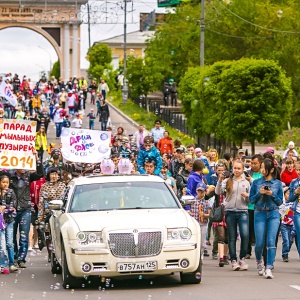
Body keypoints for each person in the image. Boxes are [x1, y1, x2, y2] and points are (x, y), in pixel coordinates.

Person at [249, 158, 283, 279]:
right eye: (261, 167)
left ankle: (269, 267)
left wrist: (271, 194)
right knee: (259, 243)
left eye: (264, 167)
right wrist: (260, 193)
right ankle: (259, 262)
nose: (262, 170)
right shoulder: (256, 182)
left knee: (271, 242)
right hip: (259, 213)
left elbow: (280, 202)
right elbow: (251, 200)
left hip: (273, 214)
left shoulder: (278, 184)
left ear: (271, 169)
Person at [10, 152, 44, 268]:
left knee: (24, 236)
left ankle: (22, 259)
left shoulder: (29, 176)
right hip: (12, 209)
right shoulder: (9, 176)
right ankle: (14, 257)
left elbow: (40, 174)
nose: (24, 168)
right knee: (12, 236)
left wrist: (37, 158)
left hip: (25, 209)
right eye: (21, 165)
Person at [216, 160, 250, 271]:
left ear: (243, 169)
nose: (236, 170)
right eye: (235, 168)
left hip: (243, 211)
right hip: (230, 211)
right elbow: (218, 192)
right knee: (232, 237)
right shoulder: (228, 181)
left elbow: (251, 199)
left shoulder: (246, 182)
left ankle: (242, 258)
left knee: (245, 235)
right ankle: (234, 260)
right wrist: (220, 181)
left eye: (239, 168)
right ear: (232, 169)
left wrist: (247, 196)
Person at [38, 168, 66, 262]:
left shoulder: (63, 185)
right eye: (52, 174)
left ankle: (59, 255)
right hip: (48, 213)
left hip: (60, 214)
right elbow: (41, 202)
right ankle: (50, 255)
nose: (54, 176)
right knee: (48, 235)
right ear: (48, 175)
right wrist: (40, 215)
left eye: (56, 174)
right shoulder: (44, 186)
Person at [245, 154, 263, 259]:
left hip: (259, 207)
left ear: (260, 163)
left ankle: (259, 251)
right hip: (249, 206)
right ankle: (247, 251)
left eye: (255, 163)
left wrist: (251, 180)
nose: (252, 165)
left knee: (257, 231)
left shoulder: (262, 174)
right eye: (251, 163)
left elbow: (260, 187)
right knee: (247, 230)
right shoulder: (247, 173)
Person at [0, 172, 18, 273]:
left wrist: (5, 207)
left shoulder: (11, 192)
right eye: (3, 182)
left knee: (10, 243)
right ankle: (2, 265)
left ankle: (11, 264)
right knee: (2, 244)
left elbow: (13, 205)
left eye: (7, 182)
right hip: (0, 222)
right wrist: (2, 196)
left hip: (9, 220)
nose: (5, 184)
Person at [190, 182, 212, 260]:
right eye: (198, 191)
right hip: (194, 223)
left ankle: (200, 255)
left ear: (205, 191)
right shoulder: (192, 201)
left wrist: (204, 215)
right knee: (194, 241)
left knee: (202, 242)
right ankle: (195, 257)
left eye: (202, 191)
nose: (200, 193)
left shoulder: (207, 202)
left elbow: (210, 214)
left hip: (203, 223)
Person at [287, 161, 300, 260]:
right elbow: (290, 199)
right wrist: (296, 192)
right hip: (298, 212)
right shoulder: (294, 182)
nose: (299, 172)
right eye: (298, 169)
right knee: (299, 236)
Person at [279, 186, 294, 262]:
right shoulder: (282, 203)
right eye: (288, 193)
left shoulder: (295, 202)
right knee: (286, 241)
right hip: (284, 225)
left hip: (293, 225)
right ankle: (284, 255)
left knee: (290, 241)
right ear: (284, 194)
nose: (289, 195)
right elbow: (281, 213)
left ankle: (286, 252)